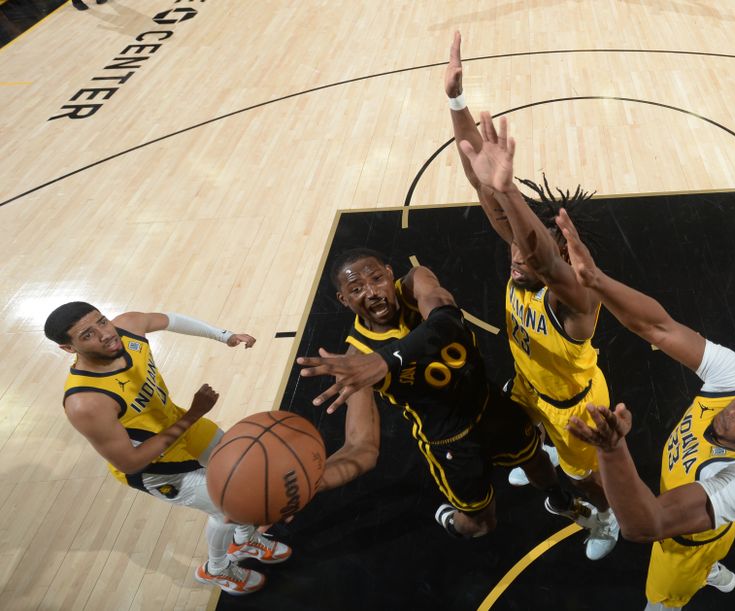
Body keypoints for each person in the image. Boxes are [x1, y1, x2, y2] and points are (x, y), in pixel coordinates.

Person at [45, 302, 379, 596]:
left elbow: (171, 319)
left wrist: (225, 336)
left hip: (183, 425)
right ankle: (217, 569)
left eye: (101, 321)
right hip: (155, 466)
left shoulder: (127, 327)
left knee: (246, 476)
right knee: (228, 508)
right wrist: (193, 414)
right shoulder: (85, 403)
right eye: (87, 334)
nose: (104, 333)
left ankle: (244, 540)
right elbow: (131, 462)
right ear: (67, 348)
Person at [554, 210, 735, 610]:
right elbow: (657, 327)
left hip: (682, 544)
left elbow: (647, 524)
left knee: (660, 601)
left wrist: (613, 450)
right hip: (709, 514)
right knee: (719, 533)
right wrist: (595, 278)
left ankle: (696, 576)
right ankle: (714, 568)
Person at [447, 31, 618, 560]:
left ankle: (606, 516)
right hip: (530, 386)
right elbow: (481, 183)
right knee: (523, 438)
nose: (514, 257)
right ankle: (545, 453)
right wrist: (456, 102)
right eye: (514, 251)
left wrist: (509, 189)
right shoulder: (522, 264)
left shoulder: (576, 301)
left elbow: (537, 252)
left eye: (525, 251)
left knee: (586, 477)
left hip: (577, 411)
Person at [296, 249, 579, 539]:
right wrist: (307, 484)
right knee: (481, 524)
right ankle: (451, 520)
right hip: (450, 439)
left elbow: (447, 320)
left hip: (486, 403)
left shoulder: (415, 282)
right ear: (344, 300)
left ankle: (559, 500)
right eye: (356, 289)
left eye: (377, 278)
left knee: (535, 458)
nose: (371, 292)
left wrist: (387, 359)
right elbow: (361, 448)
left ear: (390, 274)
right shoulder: (358, 359)